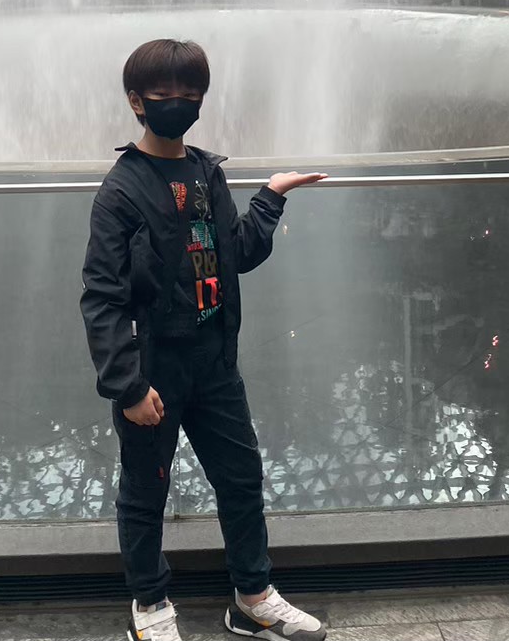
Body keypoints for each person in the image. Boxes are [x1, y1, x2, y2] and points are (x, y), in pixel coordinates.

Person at [80, 39, 328, 641]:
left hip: (215, 361)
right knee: (145, 491)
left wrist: (271, 197)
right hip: (154, 367)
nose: (180, 103)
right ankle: (150, 605)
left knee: (241, 478)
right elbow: (102, 297)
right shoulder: (120, 191)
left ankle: (253, 597)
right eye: (164, 94)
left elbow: (233, 252)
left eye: (191, 94)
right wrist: (128, 385)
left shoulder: (206, 172)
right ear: (136, 101)